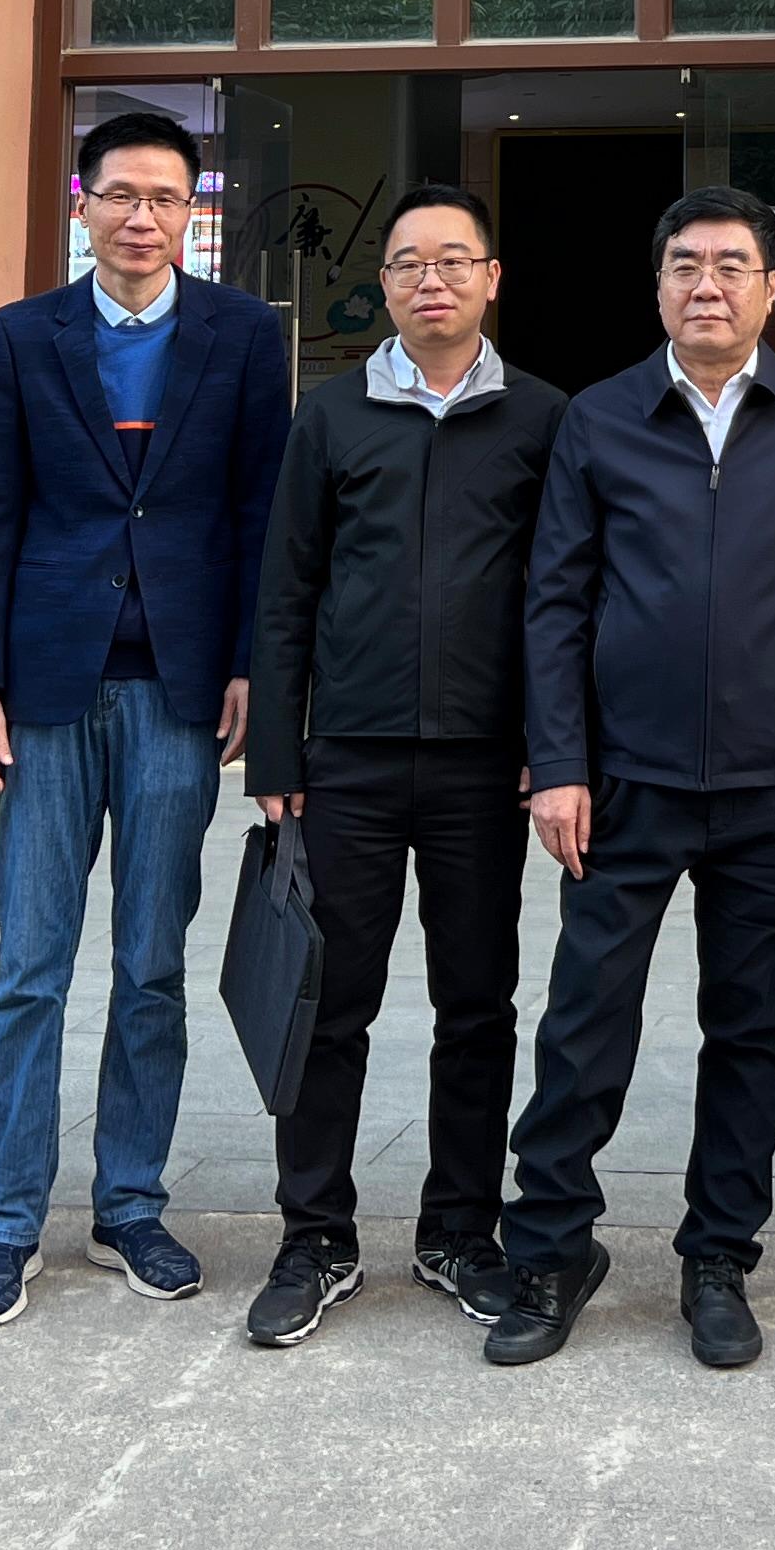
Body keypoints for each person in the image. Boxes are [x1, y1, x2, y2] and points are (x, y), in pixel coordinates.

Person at [485, 187, 775, 1372]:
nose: (706, 285)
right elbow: (554, 601)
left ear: (771, 283)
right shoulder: (601, 417)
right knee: (583, 1023)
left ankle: (719, 1257)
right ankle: (551, 1249)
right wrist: (560, 765)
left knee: (752, 1030)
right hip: (626, 781)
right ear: (657, 284)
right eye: (684, 266)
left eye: (731, 265)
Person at [0, 107, 290, 1326]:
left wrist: (252, 666)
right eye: (122, 195)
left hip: (177, 692)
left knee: (151, 964)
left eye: (167, 199)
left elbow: (262, 514)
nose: (143, 218)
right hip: (45, 690)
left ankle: (131, 1204)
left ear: (192, 213)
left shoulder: (244, 334)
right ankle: (5, 1223)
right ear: (83, 203)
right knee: (29, 968)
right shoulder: (24, 333)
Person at [240, 182, 567, 1347]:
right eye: (409, 263)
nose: (433, 279)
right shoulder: (331, 416)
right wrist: (277, 751)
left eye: (454, 260)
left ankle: (460, 1232)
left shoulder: (543, 418)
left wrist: (550, 746)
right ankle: (314, 1235)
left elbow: (560, 598)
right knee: (328, 1003)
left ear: (492, 279)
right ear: (382, 285)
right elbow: (286, 590)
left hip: (484, 763)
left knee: (476, 1005)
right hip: (349, 761)